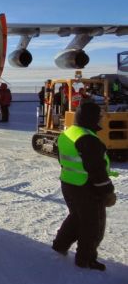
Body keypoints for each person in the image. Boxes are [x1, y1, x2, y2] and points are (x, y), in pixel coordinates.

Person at [52, 102, 118, 271]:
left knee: (76, 217)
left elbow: (62, 159)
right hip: (87, 187)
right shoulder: (88, 139)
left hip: (68, 183)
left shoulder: (69, 133)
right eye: (99, 116)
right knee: (93, 224)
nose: (102, 119)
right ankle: (86, 259)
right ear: (91, 118)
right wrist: (107, 191)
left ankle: (60, 244)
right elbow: (97, 170)